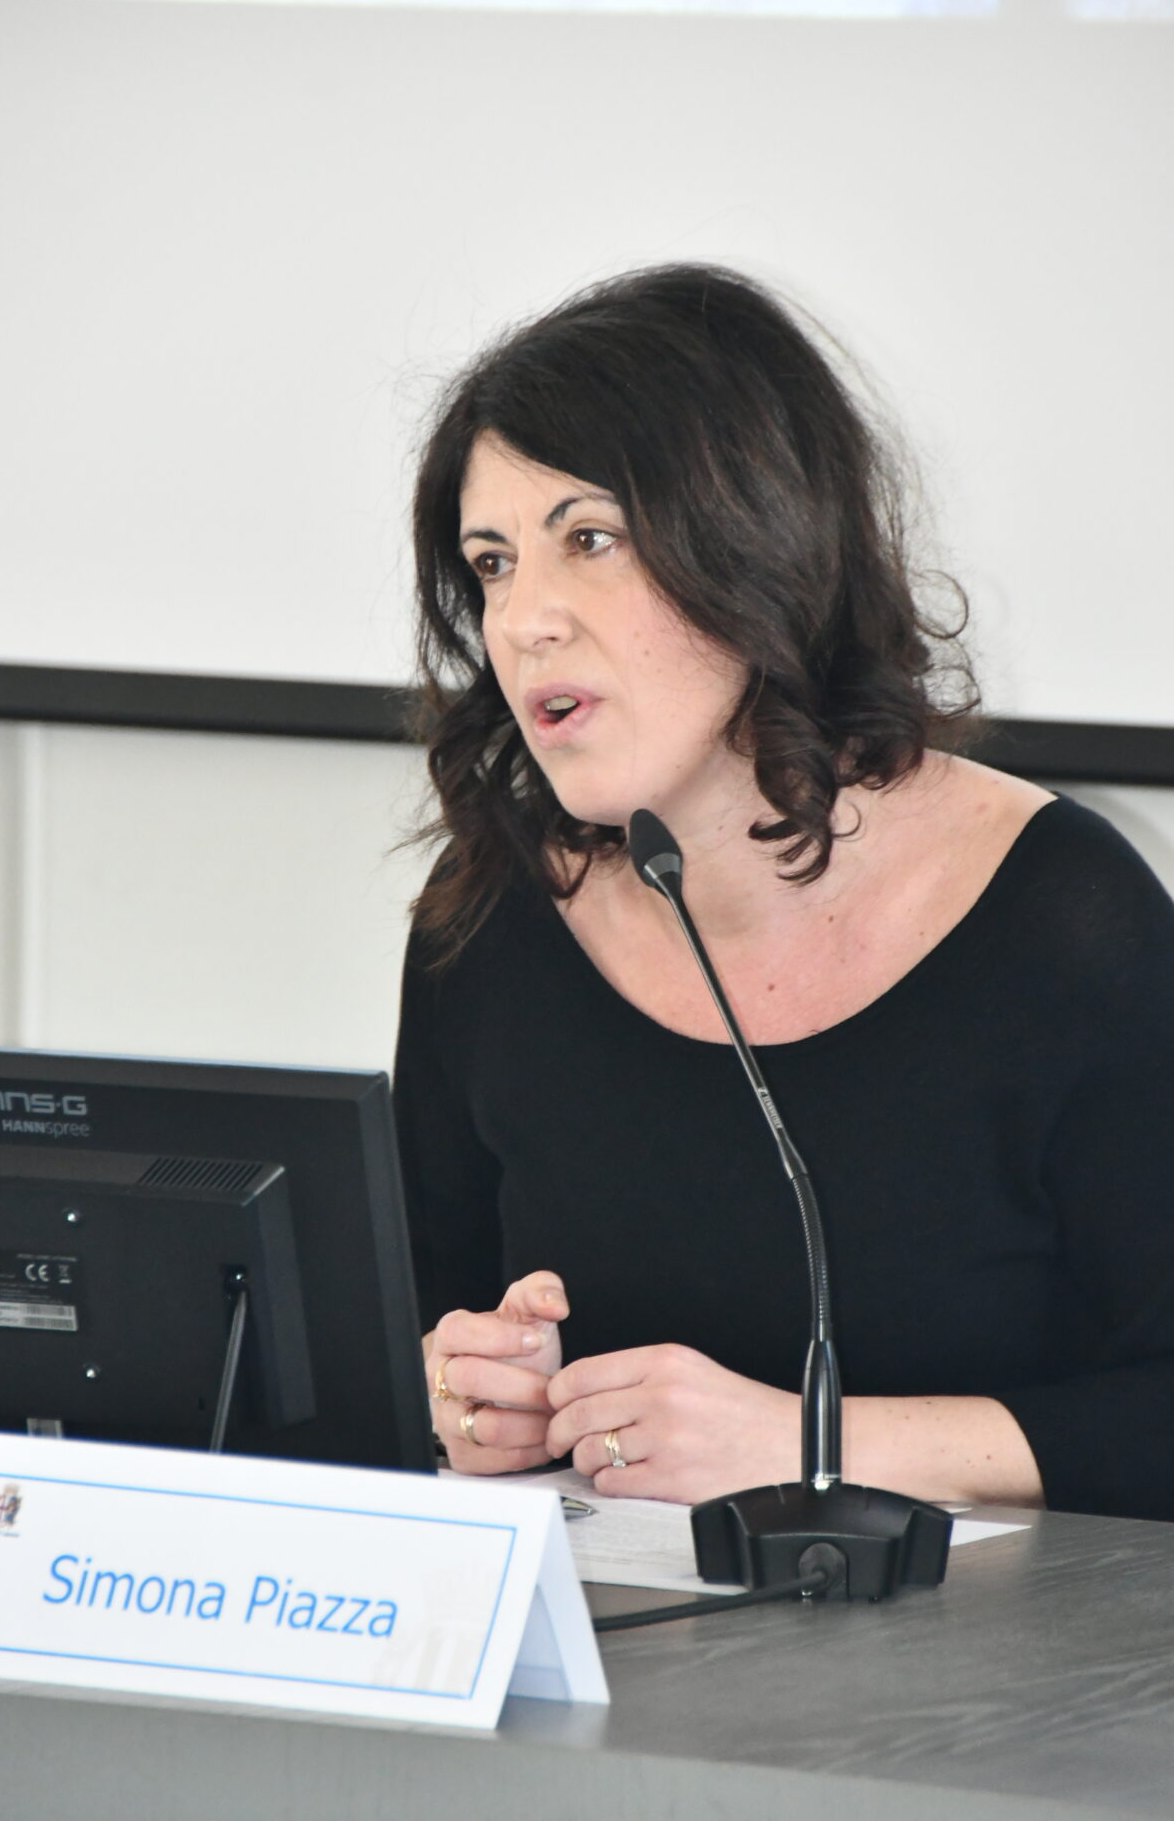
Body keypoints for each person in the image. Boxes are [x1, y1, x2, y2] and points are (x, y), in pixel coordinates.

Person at [392, 263, 1174, 1522]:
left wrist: (812, 1443)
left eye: (588, 541)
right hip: (604, 1626)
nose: (524, 619)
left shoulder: (1057, 915)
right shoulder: (490, 914)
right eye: (491, 563)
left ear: (754, 538)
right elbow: (408, 1333)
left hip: (989, 1643)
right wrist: (466, 1399)